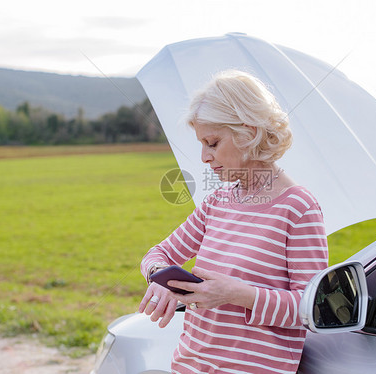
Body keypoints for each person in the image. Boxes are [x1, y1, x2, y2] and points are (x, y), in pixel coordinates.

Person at [138, 70, 328, 374]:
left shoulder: (299, 208)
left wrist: (237, 293)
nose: (204, 156)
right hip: (189, 366)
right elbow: (156, 255)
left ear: (248, 132)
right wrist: (159, 279)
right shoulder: (216, 202)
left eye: (212, 143)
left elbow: (313, 309)